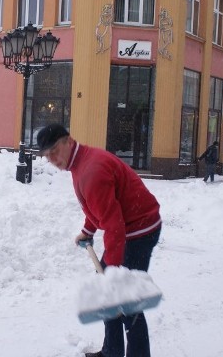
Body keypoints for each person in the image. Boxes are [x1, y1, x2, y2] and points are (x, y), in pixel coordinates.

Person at [36, 123, 162, 357]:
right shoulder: (80, 163)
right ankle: (112, 351)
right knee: (109, 294)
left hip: (140, 229)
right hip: (130, 225)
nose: (52, 159)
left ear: (68, 141)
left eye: (54, 150)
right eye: (47, 155)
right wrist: (88, 230)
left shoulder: (91, 170)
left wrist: (112, 272)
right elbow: (99, 207)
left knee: (127, 299)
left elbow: (115, 227)